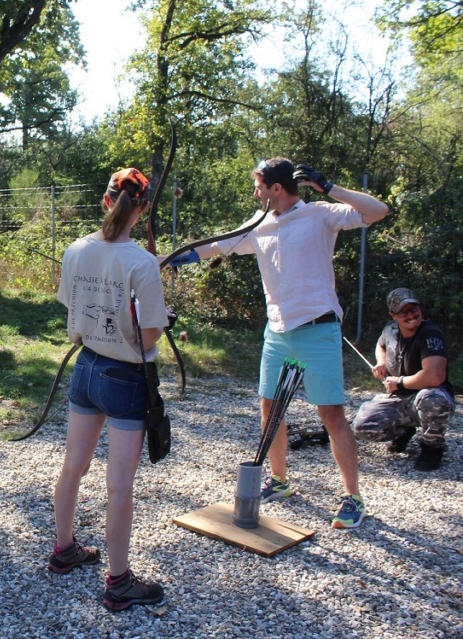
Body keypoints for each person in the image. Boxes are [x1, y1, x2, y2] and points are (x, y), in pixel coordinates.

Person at [167, 158, 388, 529]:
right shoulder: (259, 224)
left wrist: (328, 186)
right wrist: (172, 259)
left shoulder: (320, 214)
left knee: (331, 414)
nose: (255, 193)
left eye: (258, 186)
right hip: (277, 332)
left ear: (276, 188)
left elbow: (378, 211)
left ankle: (353, 497)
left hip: (318, 330)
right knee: (270, 409)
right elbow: (217, 246)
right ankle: (280, 479)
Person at [51, 167, 169, 612]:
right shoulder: (141, 262)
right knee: (119, 484)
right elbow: (151, 336)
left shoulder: (76, 248)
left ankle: (64, 550)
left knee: (72, 468)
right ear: (142, 209)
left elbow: (73, 303)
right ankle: (118, 582)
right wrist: (154, 319)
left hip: (86, 368)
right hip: (125, 377)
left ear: (105, 202)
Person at [352, 288, 455, 471]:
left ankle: (432, 448)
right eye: (403, 312)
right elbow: (380, 344)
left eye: (413, 309)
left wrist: (399, 382)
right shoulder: (390, 329)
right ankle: (405, 430)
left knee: (434, 399)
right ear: (393, 315)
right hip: (397, 398)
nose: (411, 315)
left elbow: (435, 376)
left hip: (426, 395)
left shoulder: (430, 334)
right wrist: (381, 362)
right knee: (361, 427)